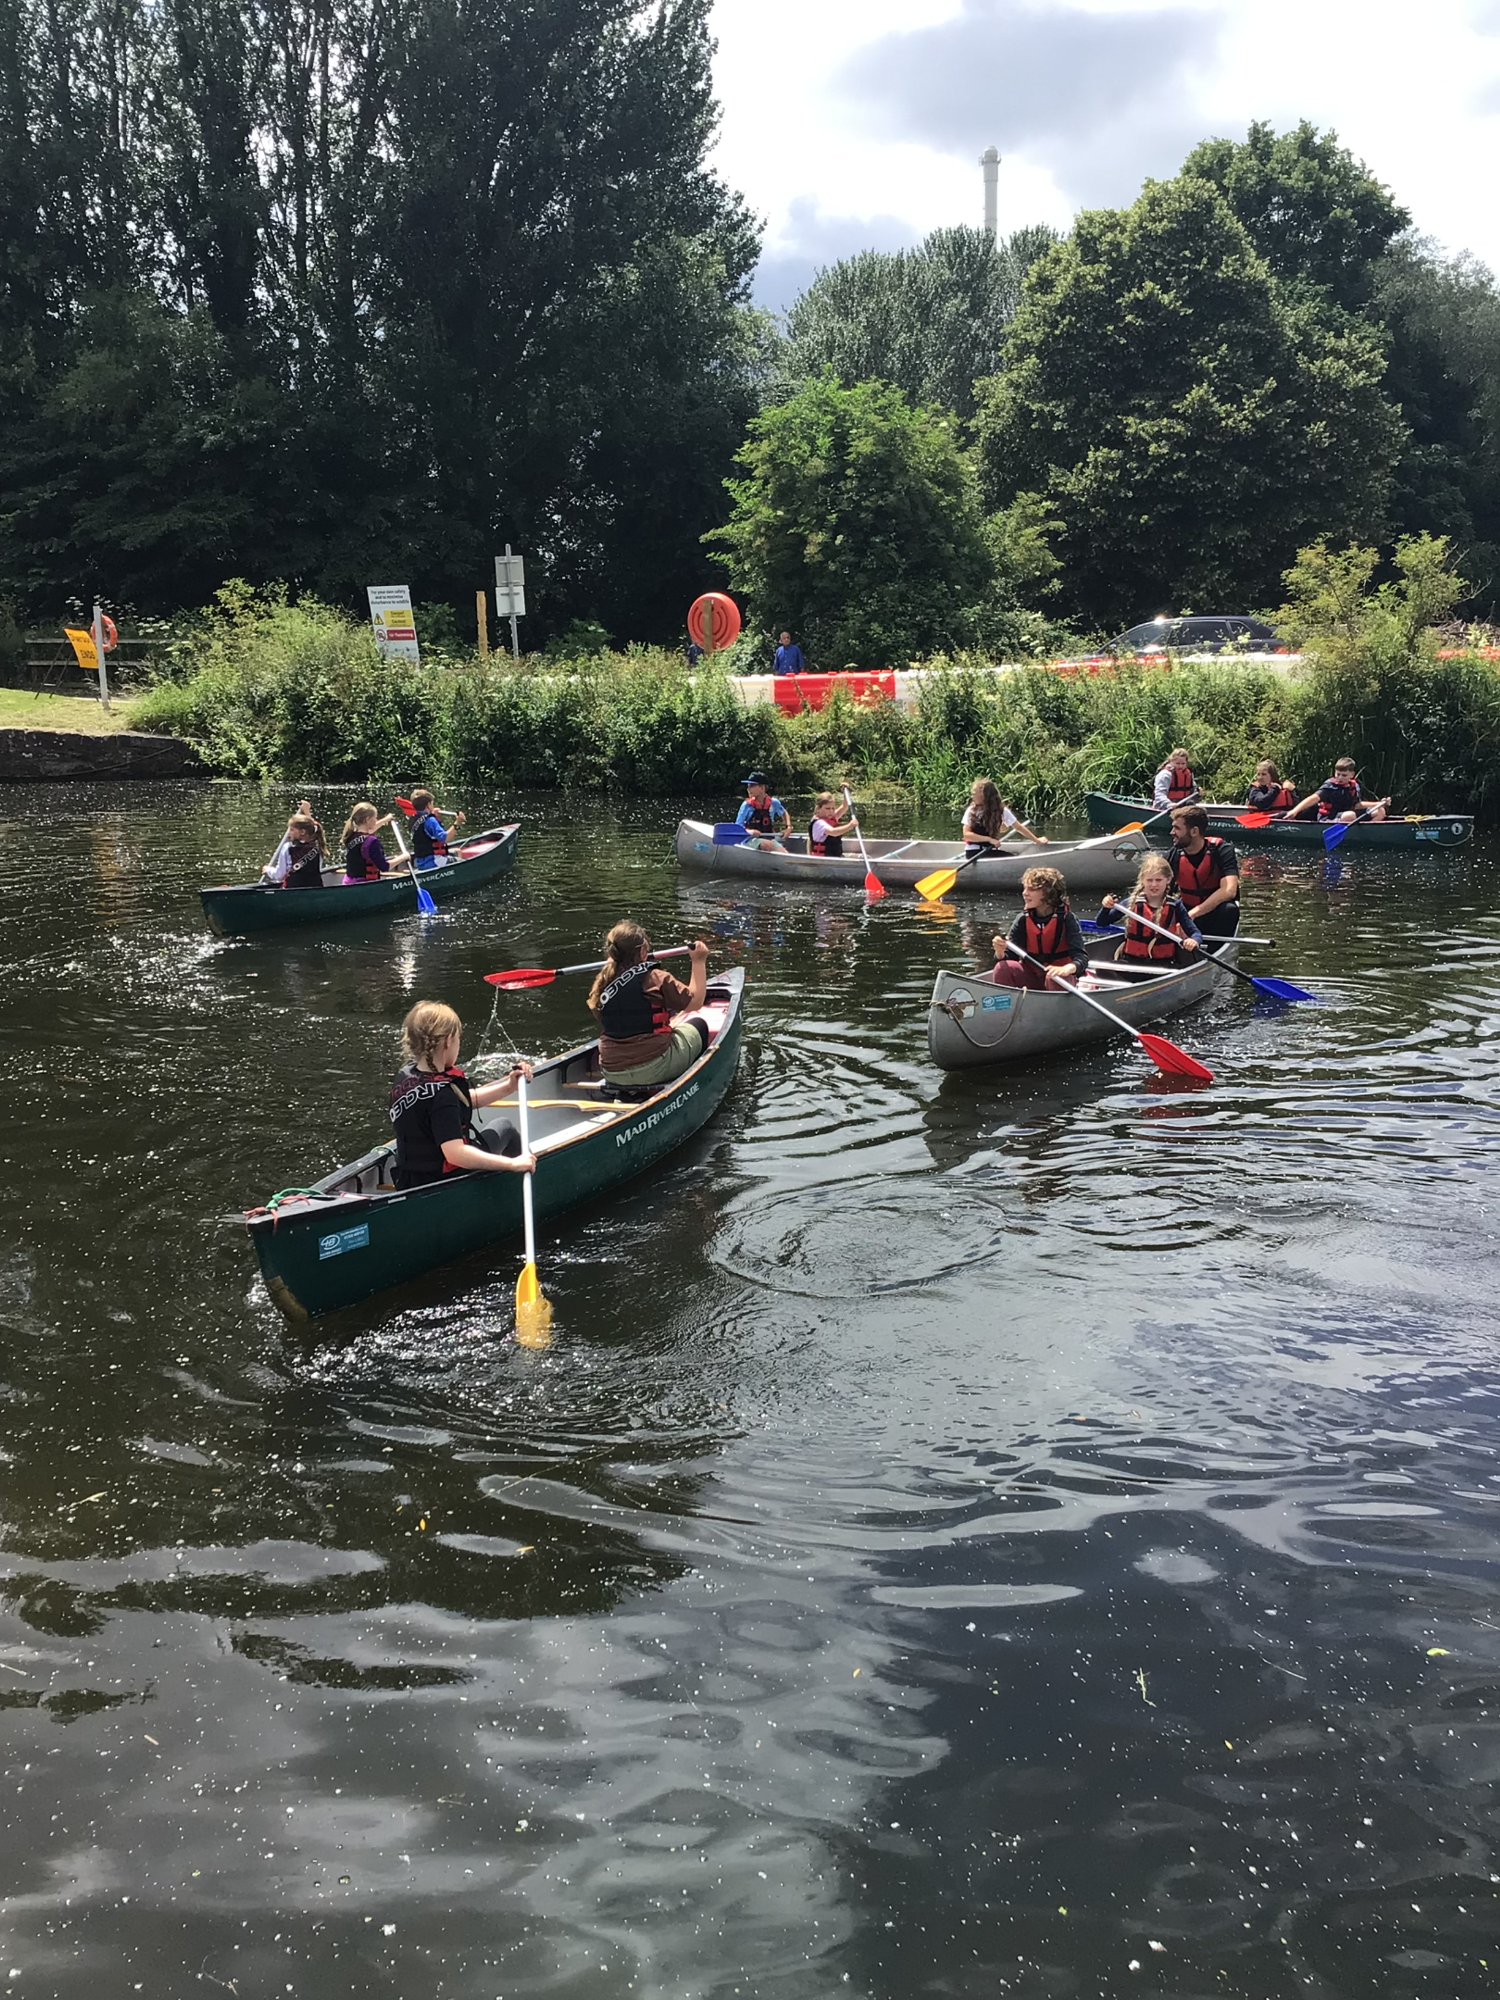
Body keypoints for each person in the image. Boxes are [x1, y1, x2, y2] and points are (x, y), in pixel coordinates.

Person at [388, 1002, 535, 1191]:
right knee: (505, 1127)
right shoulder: (442, 1095)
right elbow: (455, 1154)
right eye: (458, 1039)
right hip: (443, 1178)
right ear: (448, 1041)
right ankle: (533, 1181)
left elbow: (458, 1103)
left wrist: (508, 1086)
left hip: (410, 1177)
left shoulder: (406, 1076)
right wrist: (513, 1164)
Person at [590, 923, 712, 1088]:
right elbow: (695, 1002)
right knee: (699, 1025)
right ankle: (694, 1085)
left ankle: (628, 1092)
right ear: (642, 951)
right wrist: (698, 961)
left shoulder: (602, 983)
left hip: (611, 1071)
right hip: (654, 1068)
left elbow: (602, 1015)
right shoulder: (655, 977)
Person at [987, 866, 1088, 989]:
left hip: (1059, 979)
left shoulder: (1067, 919)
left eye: (1032, 889)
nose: (1025, 893)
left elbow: (1081, 958)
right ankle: (1009, 1006)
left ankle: (1056, 1005)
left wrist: (1067, 969)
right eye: (1025, 888)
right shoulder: (1023, 919)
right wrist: (1000, 951)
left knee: (1055, 976)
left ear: (1049, 893)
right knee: (1002, 968)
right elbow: (1010, 957)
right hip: (1033, 976)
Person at [1097, 853, 1202, 965]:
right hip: (1131, 963)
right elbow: (1101, 922)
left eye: (1158, 880)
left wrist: (1194, 941)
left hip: (1163, 964)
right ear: (1143, 880)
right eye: (1149, 880)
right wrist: (1106, 907)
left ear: (1168, 880)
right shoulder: (1131, 903)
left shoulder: (1176, 906)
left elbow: (1195, 933)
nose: (1154, 885)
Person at [1167, 805, 1240, 937]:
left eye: (1177, 828)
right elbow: (1158, 888)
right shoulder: (1174, 855)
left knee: (1230, 909)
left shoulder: (1222, 850)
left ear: (1194, 831)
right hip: (1186, 913)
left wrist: (1193, 914)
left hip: (1214, 915)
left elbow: (1229, 890)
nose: (1172, 832)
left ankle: (1215, 947)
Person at [1283, 757, 1390, 824]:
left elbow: (1357, 805)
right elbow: (1313, 799)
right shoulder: (1330, 786)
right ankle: (1353, 834)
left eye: (1344, 775)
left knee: (1380, 811)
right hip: (1328, 817)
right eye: (1337, 774)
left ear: (1352, 775)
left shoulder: (1354, 786)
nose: (1340, 778)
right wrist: (1295, 811)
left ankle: (1366, 833)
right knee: (1350, 815)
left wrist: (1379, 804)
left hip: (1347, 815)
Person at [962, 778, 1047, 857]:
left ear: (983, 795)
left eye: (974, 794)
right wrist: (989, 840)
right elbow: (967, 835)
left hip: (991, 850)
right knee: (1013, 858)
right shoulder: (971, 810)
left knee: (1013, 855)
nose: (972, 796)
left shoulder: (1001, 810)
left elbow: (1018, 827)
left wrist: (1037, 840)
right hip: (974, 852)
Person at [341, 802, 408, 882]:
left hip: (348, 882)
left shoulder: (350, 835)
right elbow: (384, 867)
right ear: (367, 820)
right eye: (375, 818)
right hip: (364, 882)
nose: (376, 820)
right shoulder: (372, 842)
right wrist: (403, 857)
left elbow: (370, 829)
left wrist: (386, 820)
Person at [261, 811, 327, 889]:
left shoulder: (287, 847)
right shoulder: (318, 847)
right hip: (315, 889)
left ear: (302, 832)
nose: (289, 833)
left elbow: (280, 875)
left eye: (292, 830)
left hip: (292, 890)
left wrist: (268, 870)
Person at [407, 788, 466, 870]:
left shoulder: (412, 819)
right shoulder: (430, 820)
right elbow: (446, 838)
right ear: (428, 805)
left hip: (421, 862)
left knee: (457, 851)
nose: (433, 806)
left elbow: (426, 833)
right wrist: (457, 823)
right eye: (432, 804)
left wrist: (435, 816)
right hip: (434, 861)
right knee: (462, 862)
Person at [736, 772, 790, 849]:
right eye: (748, 786)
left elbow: (784, 813)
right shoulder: (746, 805)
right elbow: (737, 826)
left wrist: (788, 828)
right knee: (767, 844)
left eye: (752, 786)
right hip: (750, 840)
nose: (748, 789)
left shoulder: (774, 803)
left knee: (783, 852)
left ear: (762, 788)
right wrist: (750, 832)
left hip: (769, 838)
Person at [808, 791, 858, 856]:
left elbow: (844, 807)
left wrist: (845, 793)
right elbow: (833, 832)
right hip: (823, 859)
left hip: (834, 857)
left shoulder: (831, 817)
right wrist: (850, 826)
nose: (831, 811)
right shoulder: (819, 823)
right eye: (827, 808)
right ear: (818, 809)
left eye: (833, 808)